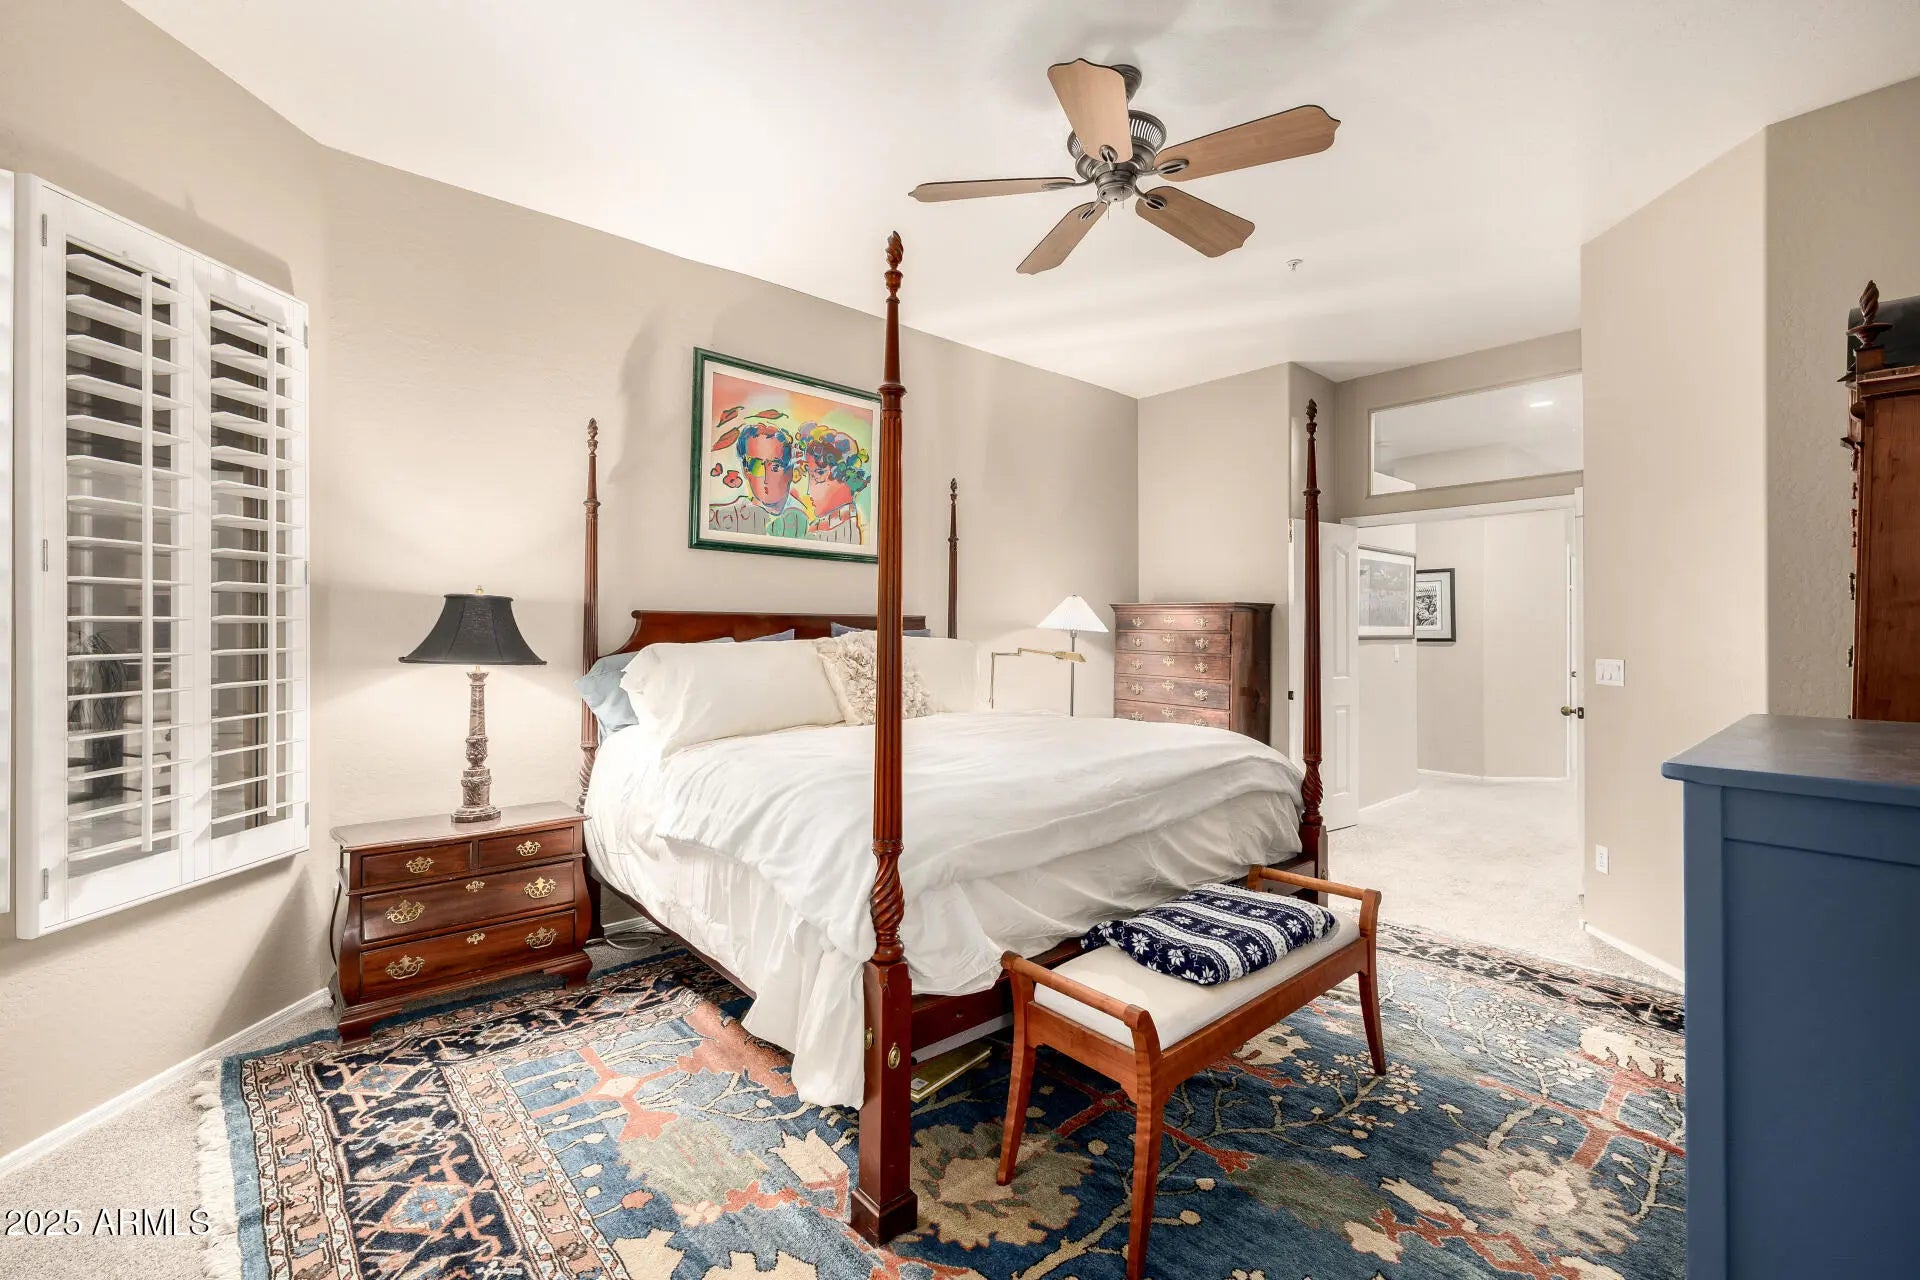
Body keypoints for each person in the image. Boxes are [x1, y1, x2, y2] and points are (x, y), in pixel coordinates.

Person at [707, 423, 807, 538]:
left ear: (790, 470)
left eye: (775, 467)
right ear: (746, 471)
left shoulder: (804, 519)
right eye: (756, 466)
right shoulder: (724, 518)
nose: (766, 479)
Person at [794, 423, 869, 545]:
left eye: (819, 474)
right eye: (810, 476)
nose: (809, 491)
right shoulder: (822, 527)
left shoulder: (843, 533)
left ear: (845, 479)